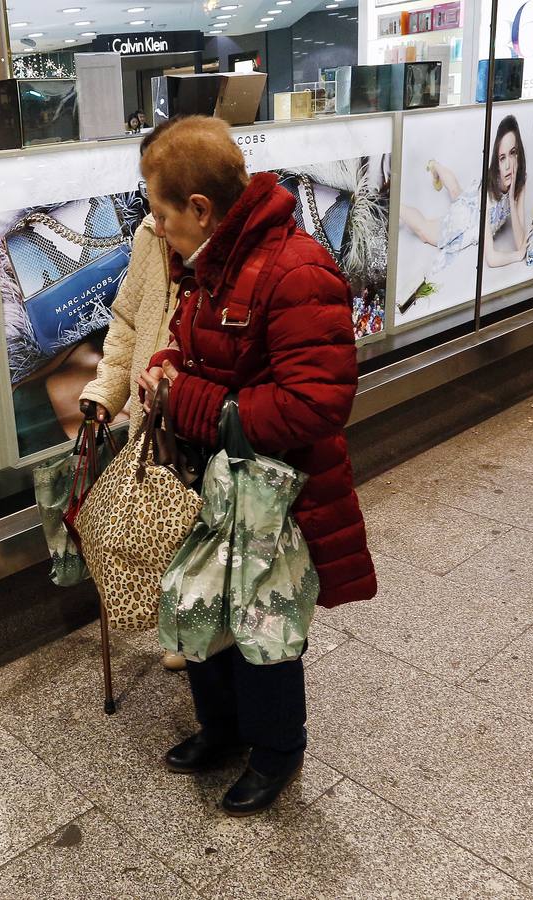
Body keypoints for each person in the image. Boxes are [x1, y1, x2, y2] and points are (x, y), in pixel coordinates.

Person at [136, 116, 377, 816]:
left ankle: (276, 749)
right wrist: (163, 369)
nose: (156, 228)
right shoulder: (210, 260)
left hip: (274, 492)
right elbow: (193, 349)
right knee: (205, 606)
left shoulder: (296, 268)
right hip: (212, 482)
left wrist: (193, 401)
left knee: (260, 627)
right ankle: (222, 730)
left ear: (200, 208)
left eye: (161, 213)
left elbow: (315, 404)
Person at [78, 124, 187, 672]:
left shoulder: (215, 250)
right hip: (150, 417)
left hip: (196, 420)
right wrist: (105, 391)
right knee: (154, 519)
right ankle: (178, 621)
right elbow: (126, 320)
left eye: (157, 186)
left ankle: (201, 631)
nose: (150, 203)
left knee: (195, 524)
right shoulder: (150, 234)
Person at [400, 114, 529, 272]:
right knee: (425, 232)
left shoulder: (520, 181)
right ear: (497, 161)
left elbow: (521, 240)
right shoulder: (488, 196)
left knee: (457, 193)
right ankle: (393, 205)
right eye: (502, 158)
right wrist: (516, 256)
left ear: (519, 153)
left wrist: (511, 198)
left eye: (513, 152)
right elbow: (491, 258)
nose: (508, 165)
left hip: (474, 205)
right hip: (468, 217)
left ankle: (435, 165)